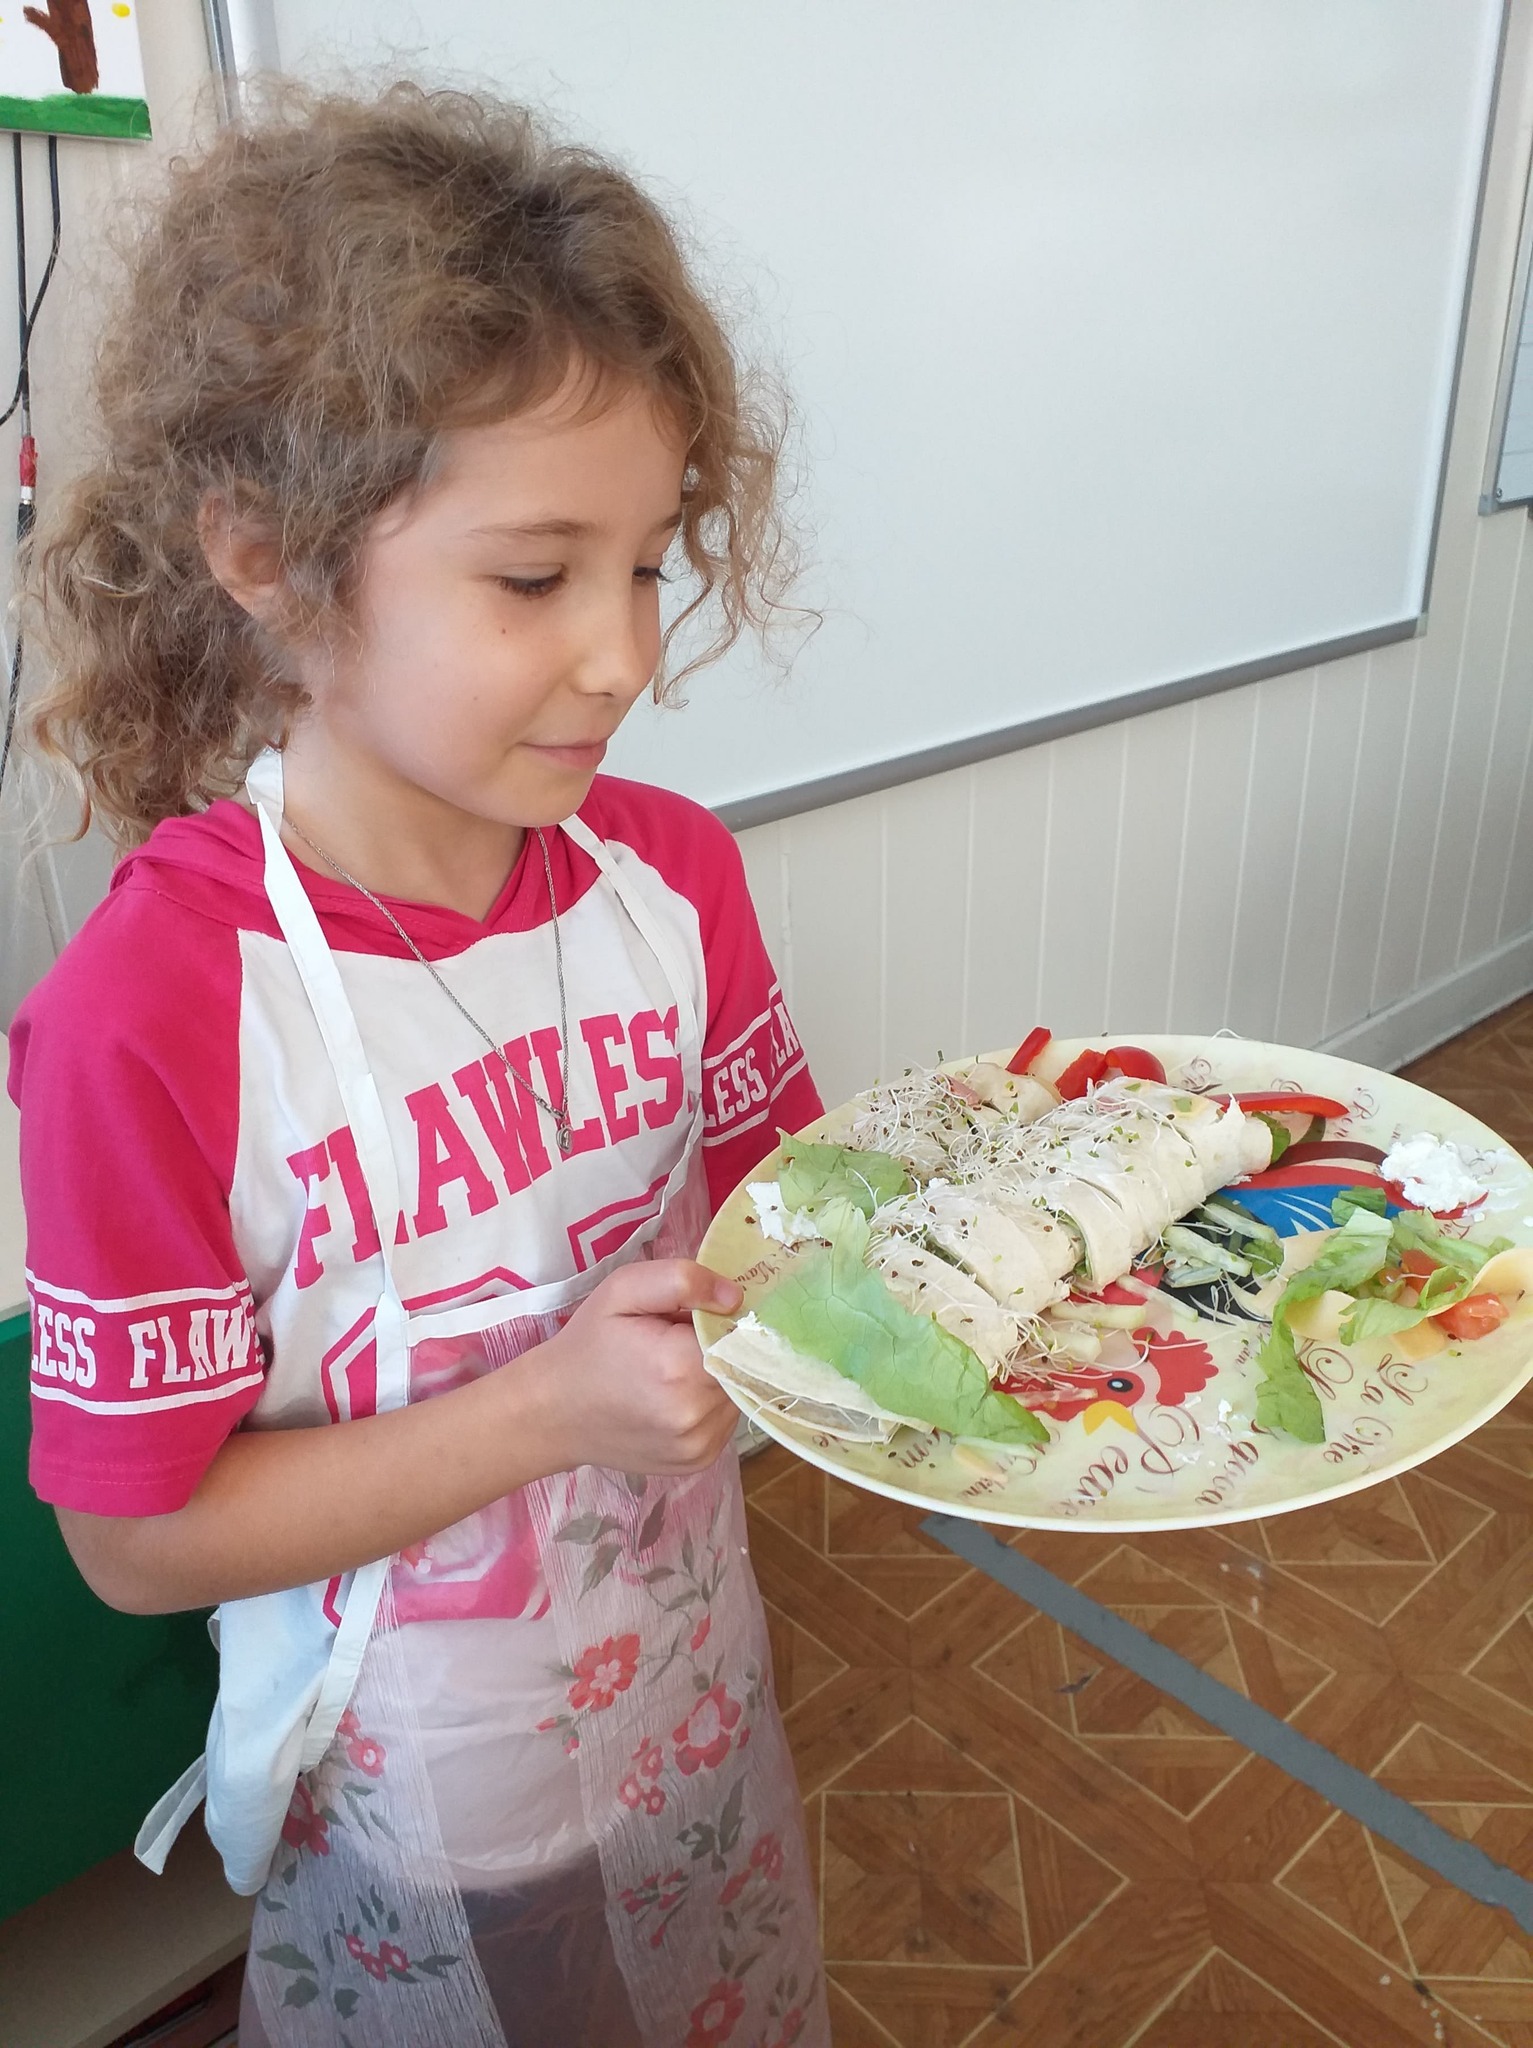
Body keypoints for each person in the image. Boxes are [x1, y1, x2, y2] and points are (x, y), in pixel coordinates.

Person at [10, 85, 828, 2048]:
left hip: (687, 1685)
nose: (623, 656)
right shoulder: (161, 1010)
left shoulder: (670, 883)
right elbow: (136, 1539)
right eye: (536, 578)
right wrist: (549, 1406)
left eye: (649, 564)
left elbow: (790, 1228)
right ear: (267, 557)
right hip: (427, 1789)